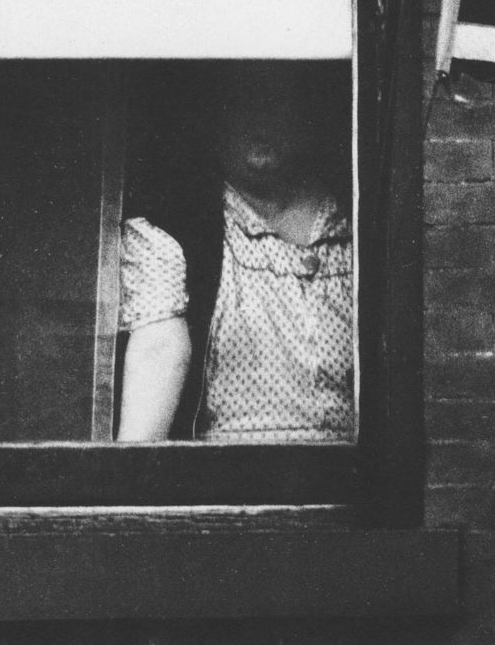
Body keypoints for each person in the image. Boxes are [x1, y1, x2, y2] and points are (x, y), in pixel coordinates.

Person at [115, 74, 353, 442]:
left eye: (275, 101)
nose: (259, 119)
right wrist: (129, 473)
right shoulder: (178, 228)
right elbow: (158, 349)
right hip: (231, 470)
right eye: (242, 102)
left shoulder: (358, 224)